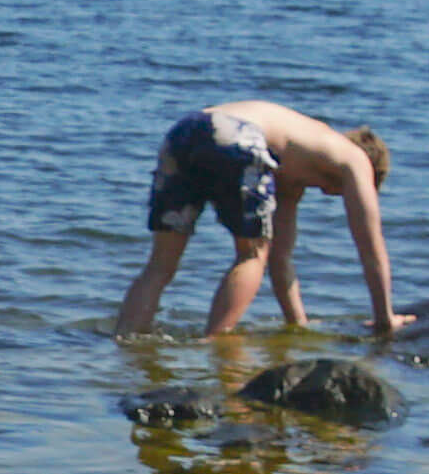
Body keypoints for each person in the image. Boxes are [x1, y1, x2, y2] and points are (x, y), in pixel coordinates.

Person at [107, 100, 409, 337]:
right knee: (251, 254)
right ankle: (214, 342)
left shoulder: (296, 160)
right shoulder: (355, 159)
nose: (332, 195)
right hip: (237, 133)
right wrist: (385, 318)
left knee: (160, 265)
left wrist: (297, 324)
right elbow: (371, 248)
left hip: (185, 130)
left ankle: (127, 341)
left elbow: (282, 257)